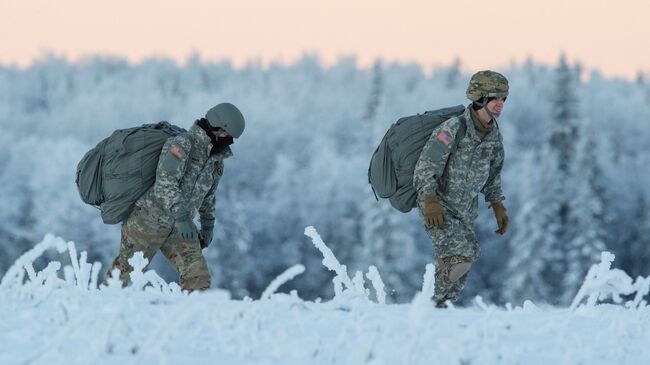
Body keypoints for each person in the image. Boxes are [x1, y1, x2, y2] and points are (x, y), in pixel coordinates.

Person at [107, 102, 245, 291]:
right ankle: (102, 311)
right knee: (124, 276)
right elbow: (165, 183)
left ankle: (193, 317)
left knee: (198, 278)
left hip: (180, 227)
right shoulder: (181, 144)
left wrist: (207, 226)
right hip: (148, 220)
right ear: (217, 128)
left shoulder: (216, 162)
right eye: (227, 135)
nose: (229, 141)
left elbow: (208, 198)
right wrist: (181, 216)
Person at [413, 71, 509, 307]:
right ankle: (428, 304)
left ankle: (437, 306)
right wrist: (430, 200)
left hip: (466, 210)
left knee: (465, 260)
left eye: (504, 99)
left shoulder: (494, 137)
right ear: (480, 98)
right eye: (494, 98)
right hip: (439, 205)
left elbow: (493, 174)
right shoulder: (453, 129)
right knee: (459, 258)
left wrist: (497, 204)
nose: (500, 104)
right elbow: (426, 165)